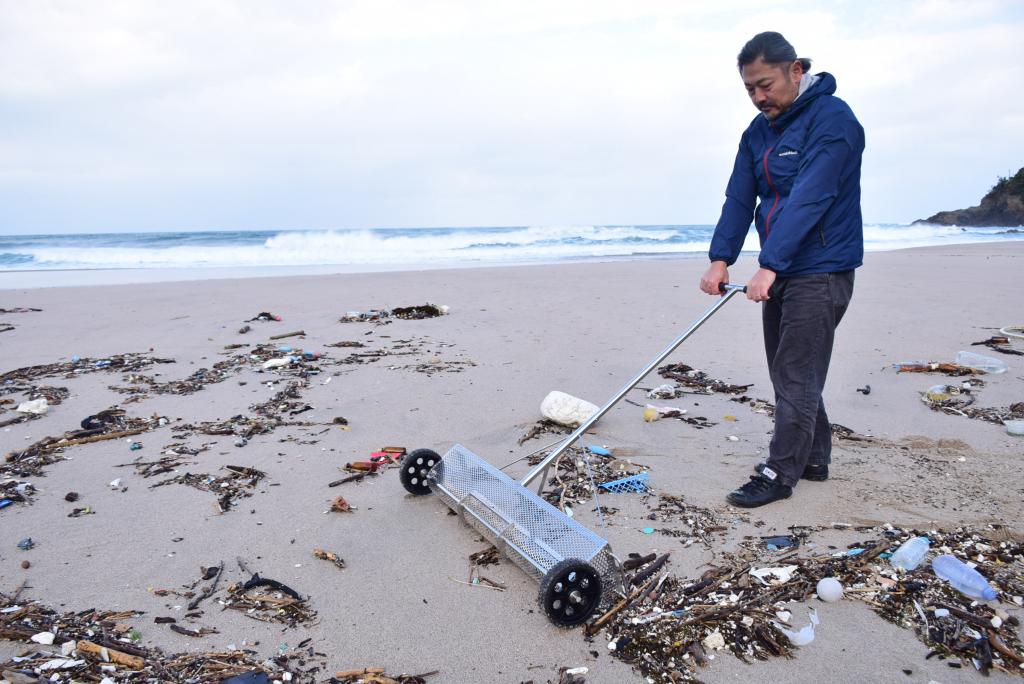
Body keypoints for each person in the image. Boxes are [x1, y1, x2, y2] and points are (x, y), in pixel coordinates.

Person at [699, 31, 865, 508]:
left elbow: (812, 196)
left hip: (821, 266)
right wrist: (720, 257)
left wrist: (768, 265)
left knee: (795, 371)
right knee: (790, 368)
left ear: (796, 70)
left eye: (766, 85)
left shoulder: (834, 120)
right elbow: (739, 196)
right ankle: (813, 456)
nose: (758, 97)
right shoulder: (758, 132)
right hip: (782, 266)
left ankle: (779, 473)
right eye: (750, 88)